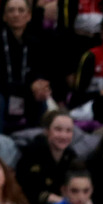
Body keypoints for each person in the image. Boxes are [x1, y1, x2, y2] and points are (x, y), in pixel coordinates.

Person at [0, 0, 54, 135]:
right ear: (4, 16)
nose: (16, 14)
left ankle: (37, 142)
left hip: (26, 94)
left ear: (29, 16)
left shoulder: (35, 42)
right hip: (4, 94)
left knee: (42, 99)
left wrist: (40, 84)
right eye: (11, 10)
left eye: (20, 10)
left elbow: (39, 72)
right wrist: (30, 87)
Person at [16, 109, 78, 204]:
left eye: (68, 131)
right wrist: (62, 202)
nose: (64, 136)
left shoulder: (70, 155)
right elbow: (29, 190)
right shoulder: (32, 152)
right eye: (58, 130)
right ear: (47, 130)